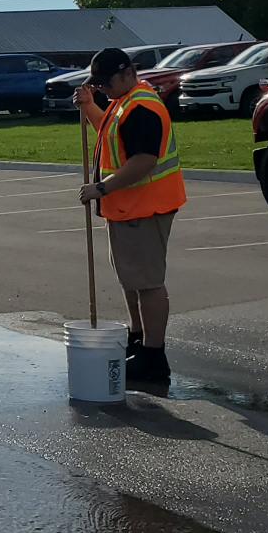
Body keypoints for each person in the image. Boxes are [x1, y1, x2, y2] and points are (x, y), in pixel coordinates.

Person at [77, 47, 187, 383]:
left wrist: (103, 188)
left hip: (144, 206)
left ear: (126, 73)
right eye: (98, 85)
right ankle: (139, 339)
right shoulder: (123, 104)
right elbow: (112, 136)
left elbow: (143, 160)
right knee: (132, 280)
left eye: (104, 84)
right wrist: (90, 107)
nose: (103, 90)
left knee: (148, 283)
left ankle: (154, 356)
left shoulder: (141, 107)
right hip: (128, 208)